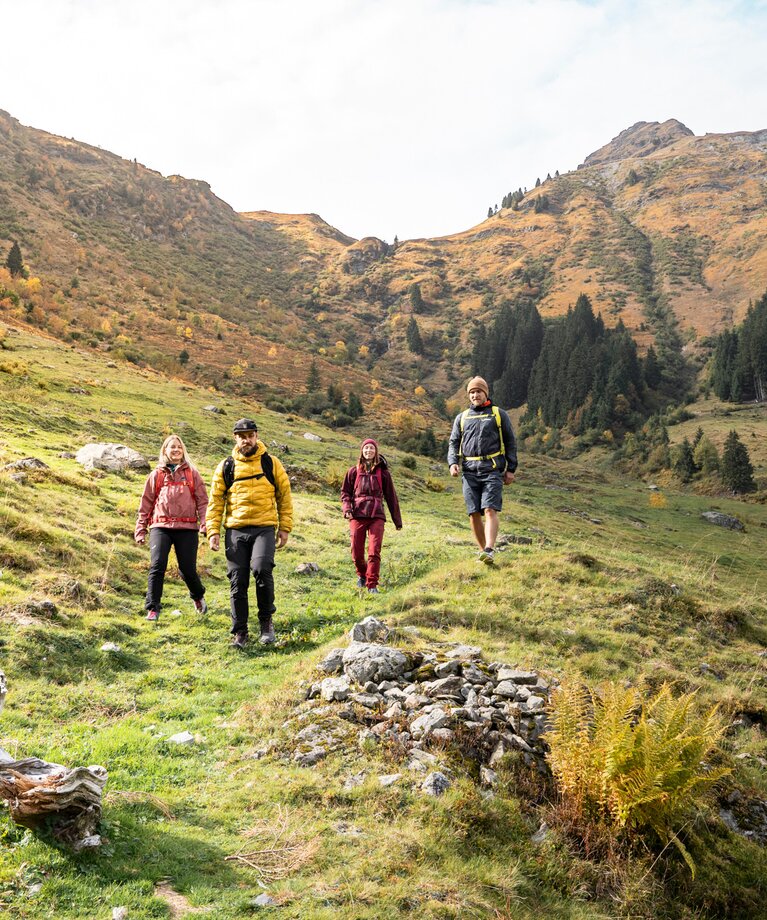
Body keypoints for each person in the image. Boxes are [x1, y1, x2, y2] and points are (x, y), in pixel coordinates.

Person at [206, 418, 293, 649]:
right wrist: (213, 531)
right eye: (242, 436)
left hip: (264, 528)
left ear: (256, 436)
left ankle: (266, 623)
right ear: (236, 438)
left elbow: (284, 497)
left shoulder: (271, 464)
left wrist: (284, 527)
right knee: (238, 580)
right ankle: (240, 633)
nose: (247, 440)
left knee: (262, 570)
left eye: (250, 435)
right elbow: (215, 501)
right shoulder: (226, 466)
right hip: (235, 530)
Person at [135, 434, 209, 621]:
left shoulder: (193, 474)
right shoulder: (157, 475)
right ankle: (153, 608)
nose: (176, 450)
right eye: (172, 447)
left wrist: (205, 523)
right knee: (157, 565)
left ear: (183, 450)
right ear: (165, 451)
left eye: (179, 447)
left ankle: (198, 596)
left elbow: (203, 502)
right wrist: (141, 528)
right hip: (161, 526)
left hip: (187, 527)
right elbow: (146, 503)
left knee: (187, 570)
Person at [448, 376, 516, 564]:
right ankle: (483, 552)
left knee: (489, 509)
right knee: (473, 513)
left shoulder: (498, 414)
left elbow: (510, 442)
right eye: (472, 392)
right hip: (469, 471)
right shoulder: (462, 418)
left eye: (478, 391)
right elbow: (453, 442)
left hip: (492, 470)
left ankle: (489, 548)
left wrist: (511, 468)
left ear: (485, 393)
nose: (475, 395)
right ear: (468, 395)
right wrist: (452, 462)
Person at [341, 438, 402, 593]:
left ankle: (372, 584)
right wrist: (347, 509)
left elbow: (391, 498)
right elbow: (345, 493)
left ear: (376, 452)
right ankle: (362, 575)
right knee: (356, 551)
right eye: (366, 448)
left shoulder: (384, 473)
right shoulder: (353, 471)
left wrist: (397, 521)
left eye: (372, 448)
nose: (369, 451)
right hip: (357, 514)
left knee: (374, 551)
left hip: (377, 516)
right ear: (362, 451)